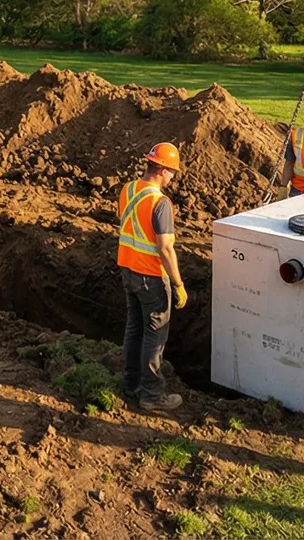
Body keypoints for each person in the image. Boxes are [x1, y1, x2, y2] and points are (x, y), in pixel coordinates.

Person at [118, 142, 188, 411]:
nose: (173, 178)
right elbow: (165, 248)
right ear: (160, 169)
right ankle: (151, 395)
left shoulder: (128, 189)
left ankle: (131, 386)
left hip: (128, 270)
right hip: (151, 277)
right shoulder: (160, 203)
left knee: (134, 330)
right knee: (154, 336)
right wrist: (178, 284)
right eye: (172, 172)